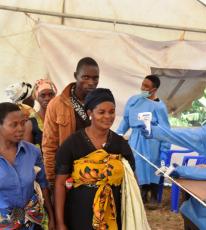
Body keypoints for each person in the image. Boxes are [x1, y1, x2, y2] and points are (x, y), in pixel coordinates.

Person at [55, 88, 149, 230]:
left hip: (113, 214)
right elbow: (60, 184)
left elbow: (132, 182)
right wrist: (60, 223)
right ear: (89, 113)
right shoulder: (73, 143)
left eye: (111, 112)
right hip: (79, 214)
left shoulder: (121, 145)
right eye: (101, 112)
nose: (108, 116)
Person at [42, 57, 100, 186]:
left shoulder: (101, 103)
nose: (91, 82)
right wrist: (52, 179)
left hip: (96, 173)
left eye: (95, 78)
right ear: (76, 76)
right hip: (67, 174)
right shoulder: (56, 104)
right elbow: (49, 145)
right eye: (85, 77)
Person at [116, 74, 171, 206]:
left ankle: (154, 195)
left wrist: (165, 149)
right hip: (136, 139)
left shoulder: (159, 107)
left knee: (153, 165)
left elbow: (165, 129)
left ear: (154, 89)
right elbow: (127, 119)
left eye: (146, 86)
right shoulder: (134, 101)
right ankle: (143, 191)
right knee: (138, 164)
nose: (143, 88)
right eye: (143, 84)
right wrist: (119, 133)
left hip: (152, 140)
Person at [0, 102, 55, 229]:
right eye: (14, 125)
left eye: (23, 123)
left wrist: (51, 218)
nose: (21, 128)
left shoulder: (32, 152)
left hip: (33, 222)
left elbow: (43, 186)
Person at [23, 79, 57, 149]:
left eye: (51, 94)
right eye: (43, 95)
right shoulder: (30, 123)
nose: (47, 98)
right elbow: (28, 152)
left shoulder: (62, 116)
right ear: (36, 98)